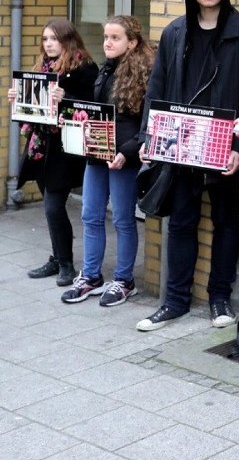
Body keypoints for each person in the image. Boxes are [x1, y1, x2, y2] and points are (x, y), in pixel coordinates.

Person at [135, 0, 239, 331]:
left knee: (227, 221)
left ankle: (220, 299)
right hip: (181, 146)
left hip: (224, 147)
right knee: (181, 221)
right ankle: (174, 301)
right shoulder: (175, 33)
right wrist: (149, 137)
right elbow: (156, 89)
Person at [60, 16, 154, 306]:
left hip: (123, 157)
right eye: (105, 37)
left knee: (124, 220)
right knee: (90, 214)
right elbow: (94, 108)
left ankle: (125, 281)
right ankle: (91, 276)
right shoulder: (106, 68)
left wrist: (127, 151)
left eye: (115, 38)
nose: (107, 43)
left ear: (133, 42)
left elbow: (147, 123)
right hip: (98, 152)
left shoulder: (144, 73)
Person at [8, 18, 97, 286]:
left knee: (53, 206)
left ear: (67, 39)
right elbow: (36, 109)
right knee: (51, 205)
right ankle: (58, 258)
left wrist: (65, 98)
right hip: (42, 145)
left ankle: (66, 264)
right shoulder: (43, 68)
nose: (48, 44)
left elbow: (92, 107)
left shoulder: (84, 68)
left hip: (66, 148)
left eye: (54, 39)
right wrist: (20, 99)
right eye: (45, 39)